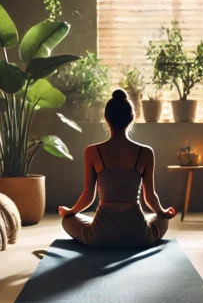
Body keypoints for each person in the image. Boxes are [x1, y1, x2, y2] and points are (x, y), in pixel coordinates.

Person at [59, 89, 176, 247]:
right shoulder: (146, 152)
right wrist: (163, 213)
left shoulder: (92, 152)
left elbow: (88, 197)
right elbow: (150, 198)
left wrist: (70, 211)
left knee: (69, 220)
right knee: (162, 219)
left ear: (106, 118)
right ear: (132, 117)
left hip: (99, 236)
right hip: (139, 236)